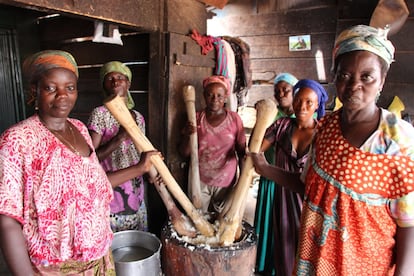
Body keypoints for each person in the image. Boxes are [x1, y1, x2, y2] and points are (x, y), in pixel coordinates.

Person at [250, 25, 414, 275]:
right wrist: (264, 168)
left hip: (364, 265)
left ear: (382, 80)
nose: (354, 85)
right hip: (315, 260)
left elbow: (409, 222)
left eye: (366, 76)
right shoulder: (325, 128)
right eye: (345, 75)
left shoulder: (397, 138)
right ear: (335, 76)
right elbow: (312, 187)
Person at [0, 50, 115, 275]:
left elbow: (93, 186)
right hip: (53, 269)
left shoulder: (80, 129)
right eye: (51, 88)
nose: (62, 95)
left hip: (100, 259)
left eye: (69, 88)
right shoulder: (18, 140)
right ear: (35, 91)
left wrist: (141, 167)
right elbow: (7, 220)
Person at [257, 79, 328, 276]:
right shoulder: (281, 126)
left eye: (309, 103)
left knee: (310, 253)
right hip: (284, 201)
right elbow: (256, 149)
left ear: (317, 106)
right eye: (298, 100)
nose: (302, 107)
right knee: (285, 253)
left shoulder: (323, 134)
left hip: (310, 204)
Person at [87, 61, 159, 233]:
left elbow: (142, 150)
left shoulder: (138, 117)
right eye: (109, 78)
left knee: (137, 237)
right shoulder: (100, 114)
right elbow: (91, 159)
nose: (115, 81)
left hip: (135, 186)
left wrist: (153, 173)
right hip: (112, 185)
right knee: (116, 240)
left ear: (128, 83)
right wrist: (119, 138)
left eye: (120, 77)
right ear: (103, 85)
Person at [179, 75, 247, 213]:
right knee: (198, 218)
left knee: (221, 220)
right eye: (210, 95)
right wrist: (187, 135)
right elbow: (184, 153)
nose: (215, 99)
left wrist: (243, 181)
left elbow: (241, 151)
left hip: (226, 179)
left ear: (226, 97)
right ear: (204, 96)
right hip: (199, 179)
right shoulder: (196, 117)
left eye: (219, 96)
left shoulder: (234, 119)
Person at [254, 72, 298, 275]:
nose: (281, 94)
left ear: (294, 92)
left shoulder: (305, 117)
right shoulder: (272, 115)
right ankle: (265, 265)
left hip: (293, 182)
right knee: (268, 223)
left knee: (288, 225)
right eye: (277, 90)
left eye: (286, 90)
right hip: (270, 176)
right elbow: (255, 146)